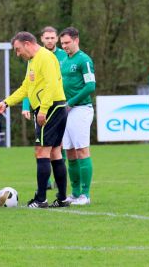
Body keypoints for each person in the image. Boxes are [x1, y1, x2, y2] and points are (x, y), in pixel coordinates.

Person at [0, 31, 69, 208]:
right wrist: (6, 103)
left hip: (50, 108)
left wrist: (42, 110)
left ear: (27, 43)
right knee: (55, 152)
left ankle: (41, 199)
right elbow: (25, 87)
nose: (18, 54)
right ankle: (62, 198)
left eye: (18, 50)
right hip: (52, 107)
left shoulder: (46, 57)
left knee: (41, 152)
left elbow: (52, 84)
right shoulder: (32, 62)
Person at [59, 27, 96, 205]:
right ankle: (74, 193)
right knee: (70, 152)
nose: (64, 46)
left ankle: (85, 195)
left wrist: (71, 102)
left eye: (67, 43)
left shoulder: (84, 60)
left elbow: (90, 86)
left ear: (76, 40)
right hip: (66, 110)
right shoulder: (64, 61)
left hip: (80, 109)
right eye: (62, 44)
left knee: (82, 151)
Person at [21, 26, 67, 120]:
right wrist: (25, 106)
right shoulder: (34, 56)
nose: (50, 41)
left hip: (62, 103)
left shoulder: (65, 55)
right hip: (42, 104)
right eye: (47, 38)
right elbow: (29, 83)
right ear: (42, 38)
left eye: (52, 38)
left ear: (57, 38)